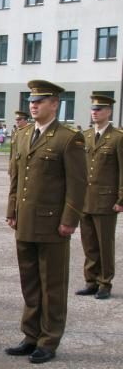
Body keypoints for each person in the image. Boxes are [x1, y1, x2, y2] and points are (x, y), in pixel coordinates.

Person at [5, 80, 86, 364]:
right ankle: (30, 335)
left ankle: (49, 340)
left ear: (55, 104)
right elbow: (15, 178)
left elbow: (77, 184)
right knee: (29, 283)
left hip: (53, 224)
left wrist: (70, 220)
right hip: (25, 222)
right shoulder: (23, 135)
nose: (34, 105)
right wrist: (11, 210)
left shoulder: (68, 138)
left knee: (52, 285)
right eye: (31, 100)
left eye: (40, 100)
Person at [76, 95, 123, 300]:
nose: (95, 112)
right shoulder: (84, 136)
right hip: (85, 199)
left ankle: (105, 282)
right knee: (89, 243)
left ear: (109, 112)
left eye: (100, 109)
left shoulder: (118, 137)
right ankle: (91, 281)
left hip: (106, 200)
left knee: (105, 243)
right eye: (93, 109)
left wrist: (121, 198)